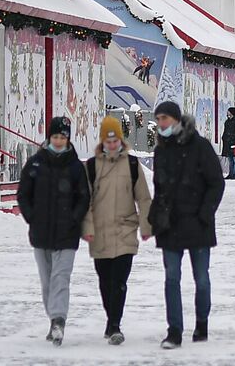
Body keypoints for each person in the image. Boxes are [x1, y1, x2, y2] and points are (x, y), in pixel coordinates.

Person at [150, 100, 224, 349]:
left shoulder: (200, 146)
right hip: (170, 224)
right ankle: (174, 331)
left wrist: (205, 213)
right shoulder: (161, 149)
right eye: (158, 119)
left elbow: (216, 182)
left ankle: (202, 322)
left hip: (197, 223)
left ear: (176, 119)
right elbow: (160, 187)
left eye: (164, 119)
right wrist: (155, 217)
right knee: (172, 278)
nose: (161, 123)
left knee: (201, 278)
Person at [18, 116, 90, 346]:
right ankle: (53, 318)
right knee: (47, 280)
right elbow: (23, 194)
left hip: (67, 233)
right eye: (56, 137)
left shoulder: (75, 166)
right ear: (49, 137)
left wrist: (75, 218)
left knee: (61, 277)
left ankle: (59, 320)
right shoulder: (36, 163)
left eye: (63, 137)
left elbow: (83, 197)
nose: (59, 141)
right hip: (41, 233)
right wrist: (32, 217)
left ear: (68, 138)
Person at [83, 115, 152, 345]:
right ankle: (111, 319)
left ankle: (115, 325)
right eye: (108, 141)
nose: (112, 145)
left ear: (121, 140)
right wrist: (88, 227)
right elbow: (86, 201)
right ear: (103, 141)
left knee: (120, 281)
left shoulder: (132, 165)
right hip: (100, 233)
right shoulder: (91, 166)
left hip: (125, 231)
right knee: (105, 281)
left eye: (115, 141)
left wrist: (146, 225)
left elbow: (143, 197)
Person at [220, 107, 235, 181]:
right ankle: (230, 174)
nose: (227, 113)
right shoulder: (227, 122)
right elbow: (225, 131)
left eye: (228, 111)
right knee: (230, 159)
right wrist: (224, 138)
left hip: (234, 143)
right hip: (228, 143)